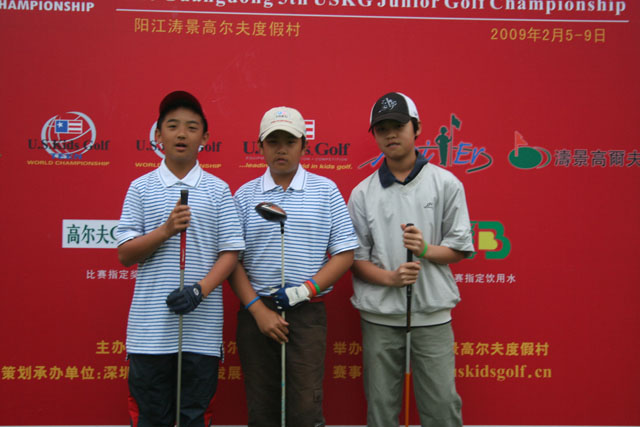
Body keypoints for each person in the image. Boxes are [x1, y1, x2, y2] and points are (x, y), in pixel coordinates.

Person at [116, 91, 245, 427]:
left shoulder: (218, 190)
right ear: (158, 136)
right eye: (172, 126)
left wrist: (199, 291)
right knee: (150, 418)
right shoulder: (141, 187)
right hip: (149, 334)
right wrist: (166, 230)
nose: (182, 134)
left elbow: (231, 252)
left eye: (191, 127)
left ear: (205, 137)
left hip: (201, 334)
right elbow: (125, 253)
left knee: (194, 418)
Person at [347, 92, 474, 427]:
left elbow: (460, 247)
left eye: (398, 126)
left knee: (442, 408)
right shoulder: (362, 193)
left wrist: (425, 250)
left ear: (416, 128)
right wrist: (391, 278)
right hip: (380, 317)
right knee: (381, 410)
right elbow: (355, 260)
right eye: (382, 129)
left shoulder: (446, 183)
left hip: (432, 316)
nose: (390, 134)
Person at [228, 106, 358, 427]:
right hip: (257, 314)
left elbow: (344, 253)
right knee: (262, 410)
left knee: (304, 409)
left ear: (304, 146)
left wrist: (304, 290)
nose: (281, 149)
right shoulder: (245, 196)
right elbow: (232, 261)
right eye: (273, 142)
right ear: (260, 147)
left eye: (290, 141)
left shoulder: (326, 191)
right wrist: (258, 310)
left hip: (306, 313)